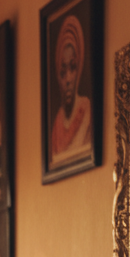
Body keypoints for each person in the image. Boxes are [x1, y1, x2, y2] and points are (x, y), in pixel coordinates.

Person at [50, 14, 92, 167]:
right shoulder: (57, 125)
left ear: (79, 67)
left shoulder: (87, 110)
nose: (68, 79)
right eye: (62, 72)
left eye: (72, 68)